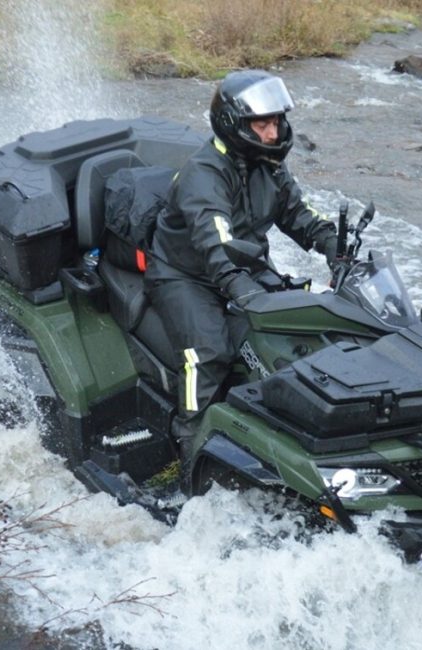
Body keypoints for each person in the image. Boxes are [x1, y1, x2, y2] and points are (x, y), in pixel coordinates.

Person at [145, 69, 338, 434]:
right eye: (261, 125)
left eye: (277, 123)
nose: (273, 133)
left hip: (245, 267)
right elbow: (214, 240)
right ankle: (191, 438)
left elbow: (299, 213)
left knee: (301, 329)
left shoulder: (267, 164)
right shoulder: (204, 173)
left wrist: (336, 247)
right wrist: (241, 285)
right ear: (234, 124)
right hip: (186, 276)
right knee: (209, 353)